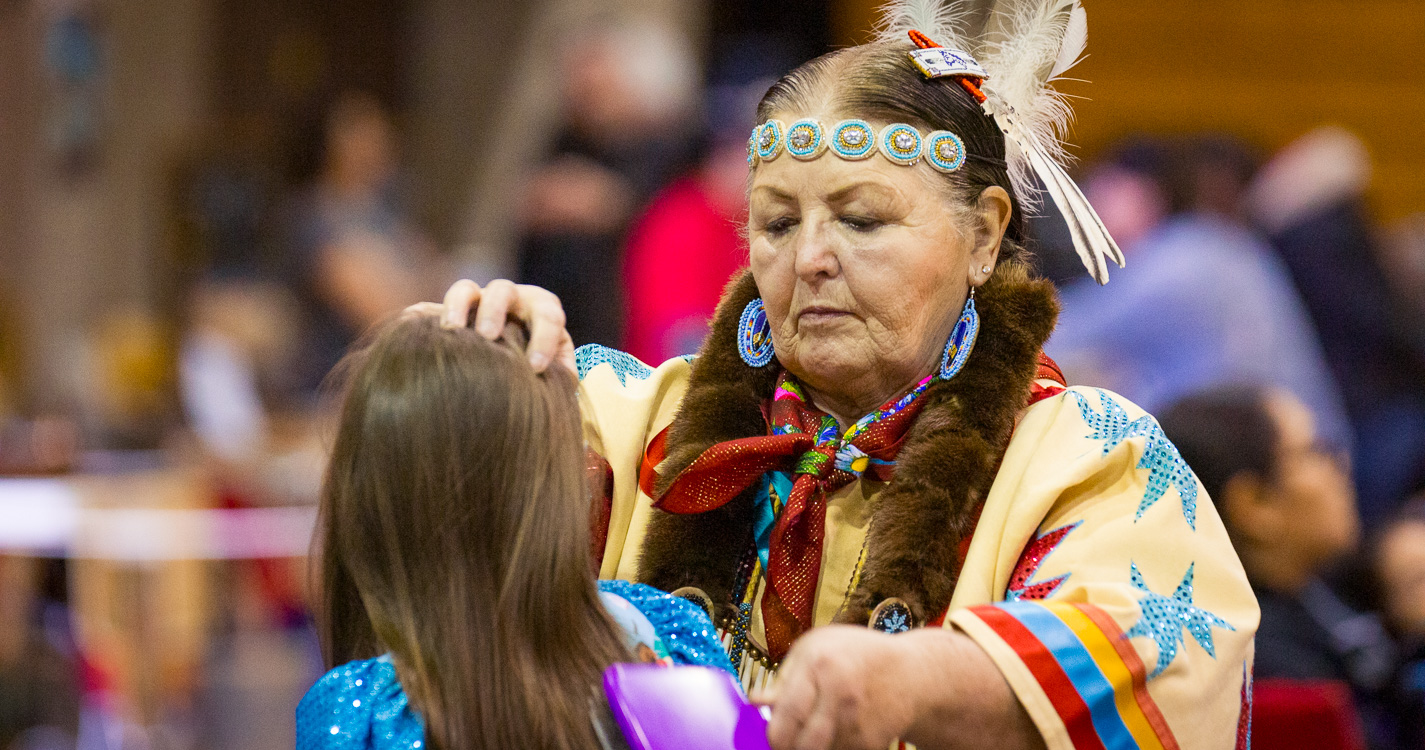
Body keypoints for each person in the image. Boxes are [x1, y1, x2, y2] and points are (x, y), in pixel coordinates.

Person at [428, 1, 1258, 747]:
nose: (810, 261)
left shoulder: (1086, 462)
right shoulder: (635, 419)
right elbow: (437, 541)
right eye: (777, 224)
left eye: (861, 220)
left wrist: (921, 683)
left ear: (981, 235)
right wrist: (463, 370)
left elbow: (1159, 647)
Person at [295, 312, 731, 750]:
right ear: (551, 492)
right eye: (573, 445)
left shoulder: (358, 712)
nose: (591, 466)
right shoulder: (671, 633)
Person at [1160, 385, 1397, 742]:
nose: (1341, 465)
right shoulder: (1270, 678)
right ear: (1255, 506)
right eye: (1314, 452)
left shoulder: (1332, 585)